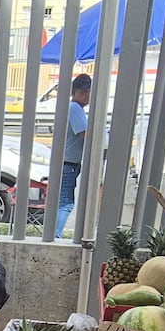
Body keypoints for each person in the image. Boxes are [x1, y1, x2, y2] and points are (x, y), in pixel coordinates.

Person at [55, 73, 91, 239]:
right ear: (74, 92)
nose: (87, 95)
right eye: (83, 92)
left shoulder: (75, 109)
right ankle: (56, 235)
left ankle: (55, 234)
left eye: (89, 91)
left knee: (63, 202)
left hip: (69, 163)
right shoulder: (75, 108)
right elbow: (85, 134)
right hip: (68, 164)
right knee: (66, 204)